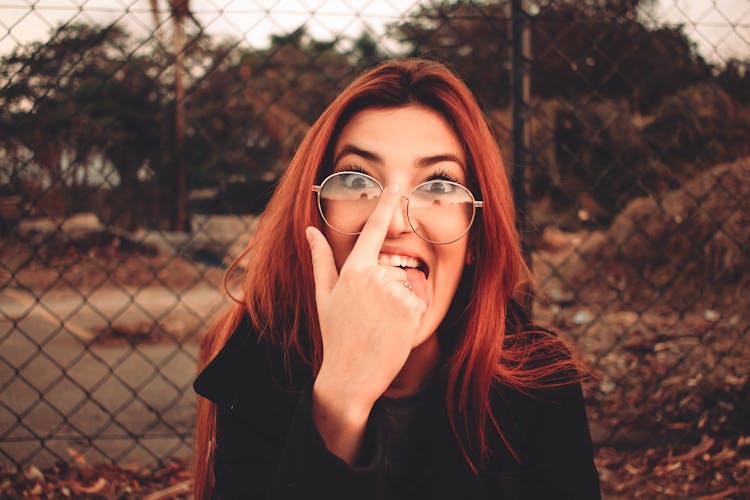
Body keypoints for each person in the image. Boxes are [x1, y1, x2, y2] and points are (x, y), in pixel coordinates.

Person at [193, 58, 601, 499]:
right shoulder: (256, 368)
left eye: (440, 186)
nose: (392, 222)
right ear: (315, 217)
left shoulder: (540, 385)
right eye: (356, 180)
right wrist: (341, 401)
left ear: (477, 238)